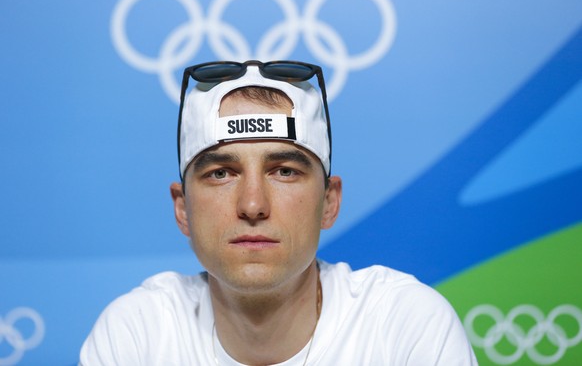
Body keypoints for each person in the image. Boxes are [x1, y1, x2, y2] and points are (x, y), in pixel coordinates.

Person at [80, 60, 477, 365]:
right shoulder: (136, 334)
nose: (253, 205)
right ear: (183, 209)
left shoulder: (405, 325)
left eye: (284, 171)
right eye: (221, 173)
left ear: (329, 201)